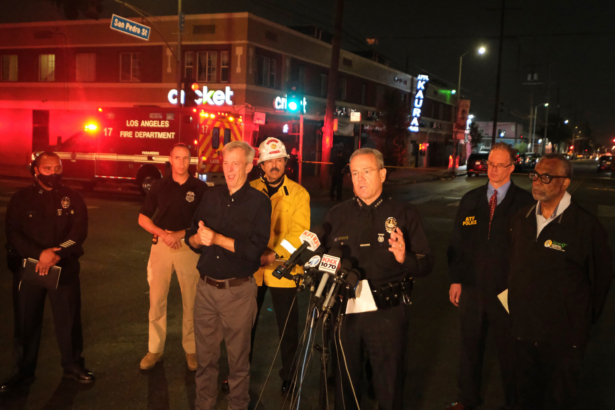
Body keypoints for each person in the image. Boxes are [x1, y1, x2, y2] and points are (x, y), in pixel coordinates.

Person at [322, 147, 433, 410]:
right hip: (346, 312)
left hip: (388, 313)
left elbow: (427, 264)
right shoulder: (337, 215)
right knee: (345, 385)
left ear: (382, 174)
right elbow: (324, 261)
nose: (360, 179)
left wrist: (405, 258)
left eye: (367, 172)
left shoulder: (404, 215)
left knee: (389, 385)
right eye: (354, 173)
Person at [508, 154, 613, 410]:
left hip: (564, 338)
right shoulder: (521, 219)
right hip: (524, 332)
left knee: (559, 399)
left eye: (546, 177)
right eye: (535, 175)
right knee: (525, 397)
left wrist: (578, 319)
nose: (537, 182)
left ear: (564, 183)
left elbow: (600, 279)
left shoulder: (585, 226)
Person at [444, 142, 534, 410]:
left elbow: (528, 250)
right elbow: (457, 243)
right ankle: (466, 399)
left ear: (511, 167)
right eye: (490, 164)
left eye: (499, 165)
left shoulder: (525, 203)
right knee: (469, 348)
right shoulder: (471, 200)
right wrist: (455, 279)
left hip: (506, 290)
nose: (492, 169)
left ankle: (515, 401)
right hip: (471, 286)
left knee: (510, 351)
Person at [186, 141, 271, 410]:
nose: (230, 169)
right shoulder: (211, 196)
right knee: (206, 360)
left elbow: (254, 251)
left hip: (239, 292)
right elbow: (192, 237)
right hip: (206, 291)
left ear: (249, 166)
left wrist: (218, 239)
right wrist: (198, 240)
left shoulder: (260, 202)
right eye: (225, 163)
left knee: (238, 362)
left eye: (236, 163)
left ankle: (238, 406)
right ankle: (204, 405)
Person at [2, 152, 92, 392]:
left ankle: (73, 365)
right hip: (30, 268)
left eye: (57, 168)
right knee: (26, 321)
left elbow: (78, 232)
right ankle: (23, 371)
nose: (54, 173)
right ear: (36, 171)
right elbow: (13, 233)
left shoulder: (72, 197)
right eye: (48, 168)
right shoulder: (21, 199)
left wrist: (56, 254)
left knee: (69, 320)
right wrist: (38, 254)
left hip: (64, 268)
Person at [138, 143, 207, 371]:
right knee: (156, 301)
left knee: (191, 302)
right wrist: (163, 234)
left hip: (189, 248)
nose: (181, 163)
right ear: (170, 159)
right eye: (177, 158)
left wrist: (180, 234)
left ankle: (192, 350)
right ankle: (154, 350)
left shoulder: (200, 187)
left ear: (191, 160)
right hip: (162, 247)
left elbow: (204, 223)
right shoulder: (159, 186)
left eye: (186, 158)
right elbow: (143, 218)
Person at [250, 137, 310, 394]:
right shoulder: (248, 189)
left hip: (283, 269)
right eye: (269, 161)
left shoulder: (299, 193)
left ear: (286, 162)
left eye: (278, 160)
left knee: (288, 328)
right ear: (260, 165)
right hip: (252, 270)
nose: (274, 165)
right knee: (243, 326)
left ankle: (290, 375)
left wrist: (272, 255)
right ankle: (238, 371)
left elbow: (299, 234)